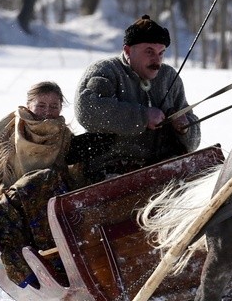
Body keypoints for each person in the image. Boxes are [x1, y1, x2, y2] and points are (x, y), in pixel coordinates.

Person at [0, 81, 108, 287]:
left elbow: (88, 151)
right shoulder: (6, 130)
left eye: (54, 106)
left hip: (48, 203)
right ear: (28, 105)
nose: (47, 112)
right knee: (43, 178)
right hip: (10, 200)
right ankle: (48, 263)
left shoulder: (63, 137)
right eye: (41, 105)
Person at [74, 15, 201, 182]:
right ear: (127, 51)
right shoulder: (106, 71)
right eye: (149, 52)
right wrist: (142, 117)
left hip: (163, 169)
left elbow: (193, 139)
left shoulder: (169, 77)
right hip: (110, 172)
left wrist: (184, 128)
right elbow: (88, 111)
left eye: (161, 53)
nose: (157, 60)